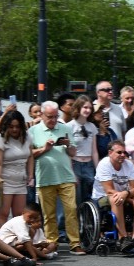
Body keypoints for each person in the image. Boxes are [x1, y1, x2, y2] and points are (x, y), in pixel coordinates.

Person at [31, 101, 84, 255]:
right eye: (49, 117)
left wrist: (68, 145)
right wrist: (44, 149)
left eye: (55, 116)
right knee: (49, 214)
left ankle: (75, 243)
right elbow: (29, 155)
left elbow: (73, 153)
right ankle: (51, 242)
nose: (53, 120)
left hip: (66, 176)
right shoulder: (33, 131)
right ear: (41, 115)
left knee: (71, 210)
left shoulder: (65, 128)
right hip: (45, 177)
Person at [93, 139, 134, 246]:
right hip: (102, 196)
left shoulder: (129, 164)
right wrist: (131, 201)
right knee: (117, 198)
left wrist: (126, 194)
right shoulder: (104, 164)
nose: (123, 155)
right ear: (110, 153)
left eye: (124, 152)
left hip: (123, 195)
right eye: (119, 152)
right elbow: (109, 190)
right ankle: (123, 237)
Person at [0, 109, 34, 233]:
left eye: (17, 126)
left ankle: (17, 241)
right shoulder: (0, 138)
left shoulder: (27, 138)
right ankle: (1, 241)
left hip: (21, 180)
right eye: (11, 127)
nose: (14, 130)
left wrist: (30, 174)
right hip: (5, 181)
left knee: (19, 216)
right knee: (3, 214)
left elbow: (30, 156)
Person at [67, 95, 98, 206]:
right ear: (78, 108)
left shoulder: (92, 127)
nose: (88, 110)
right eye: (85, 107)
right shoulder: (69, 126)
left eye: (90, 108)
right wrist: (71, 173)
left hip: (88, 165)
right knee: (77, 198)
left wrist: (97, 169)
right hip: (75, 164)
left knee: (89, 198)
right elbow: (67, 152)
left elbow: (94, 150)